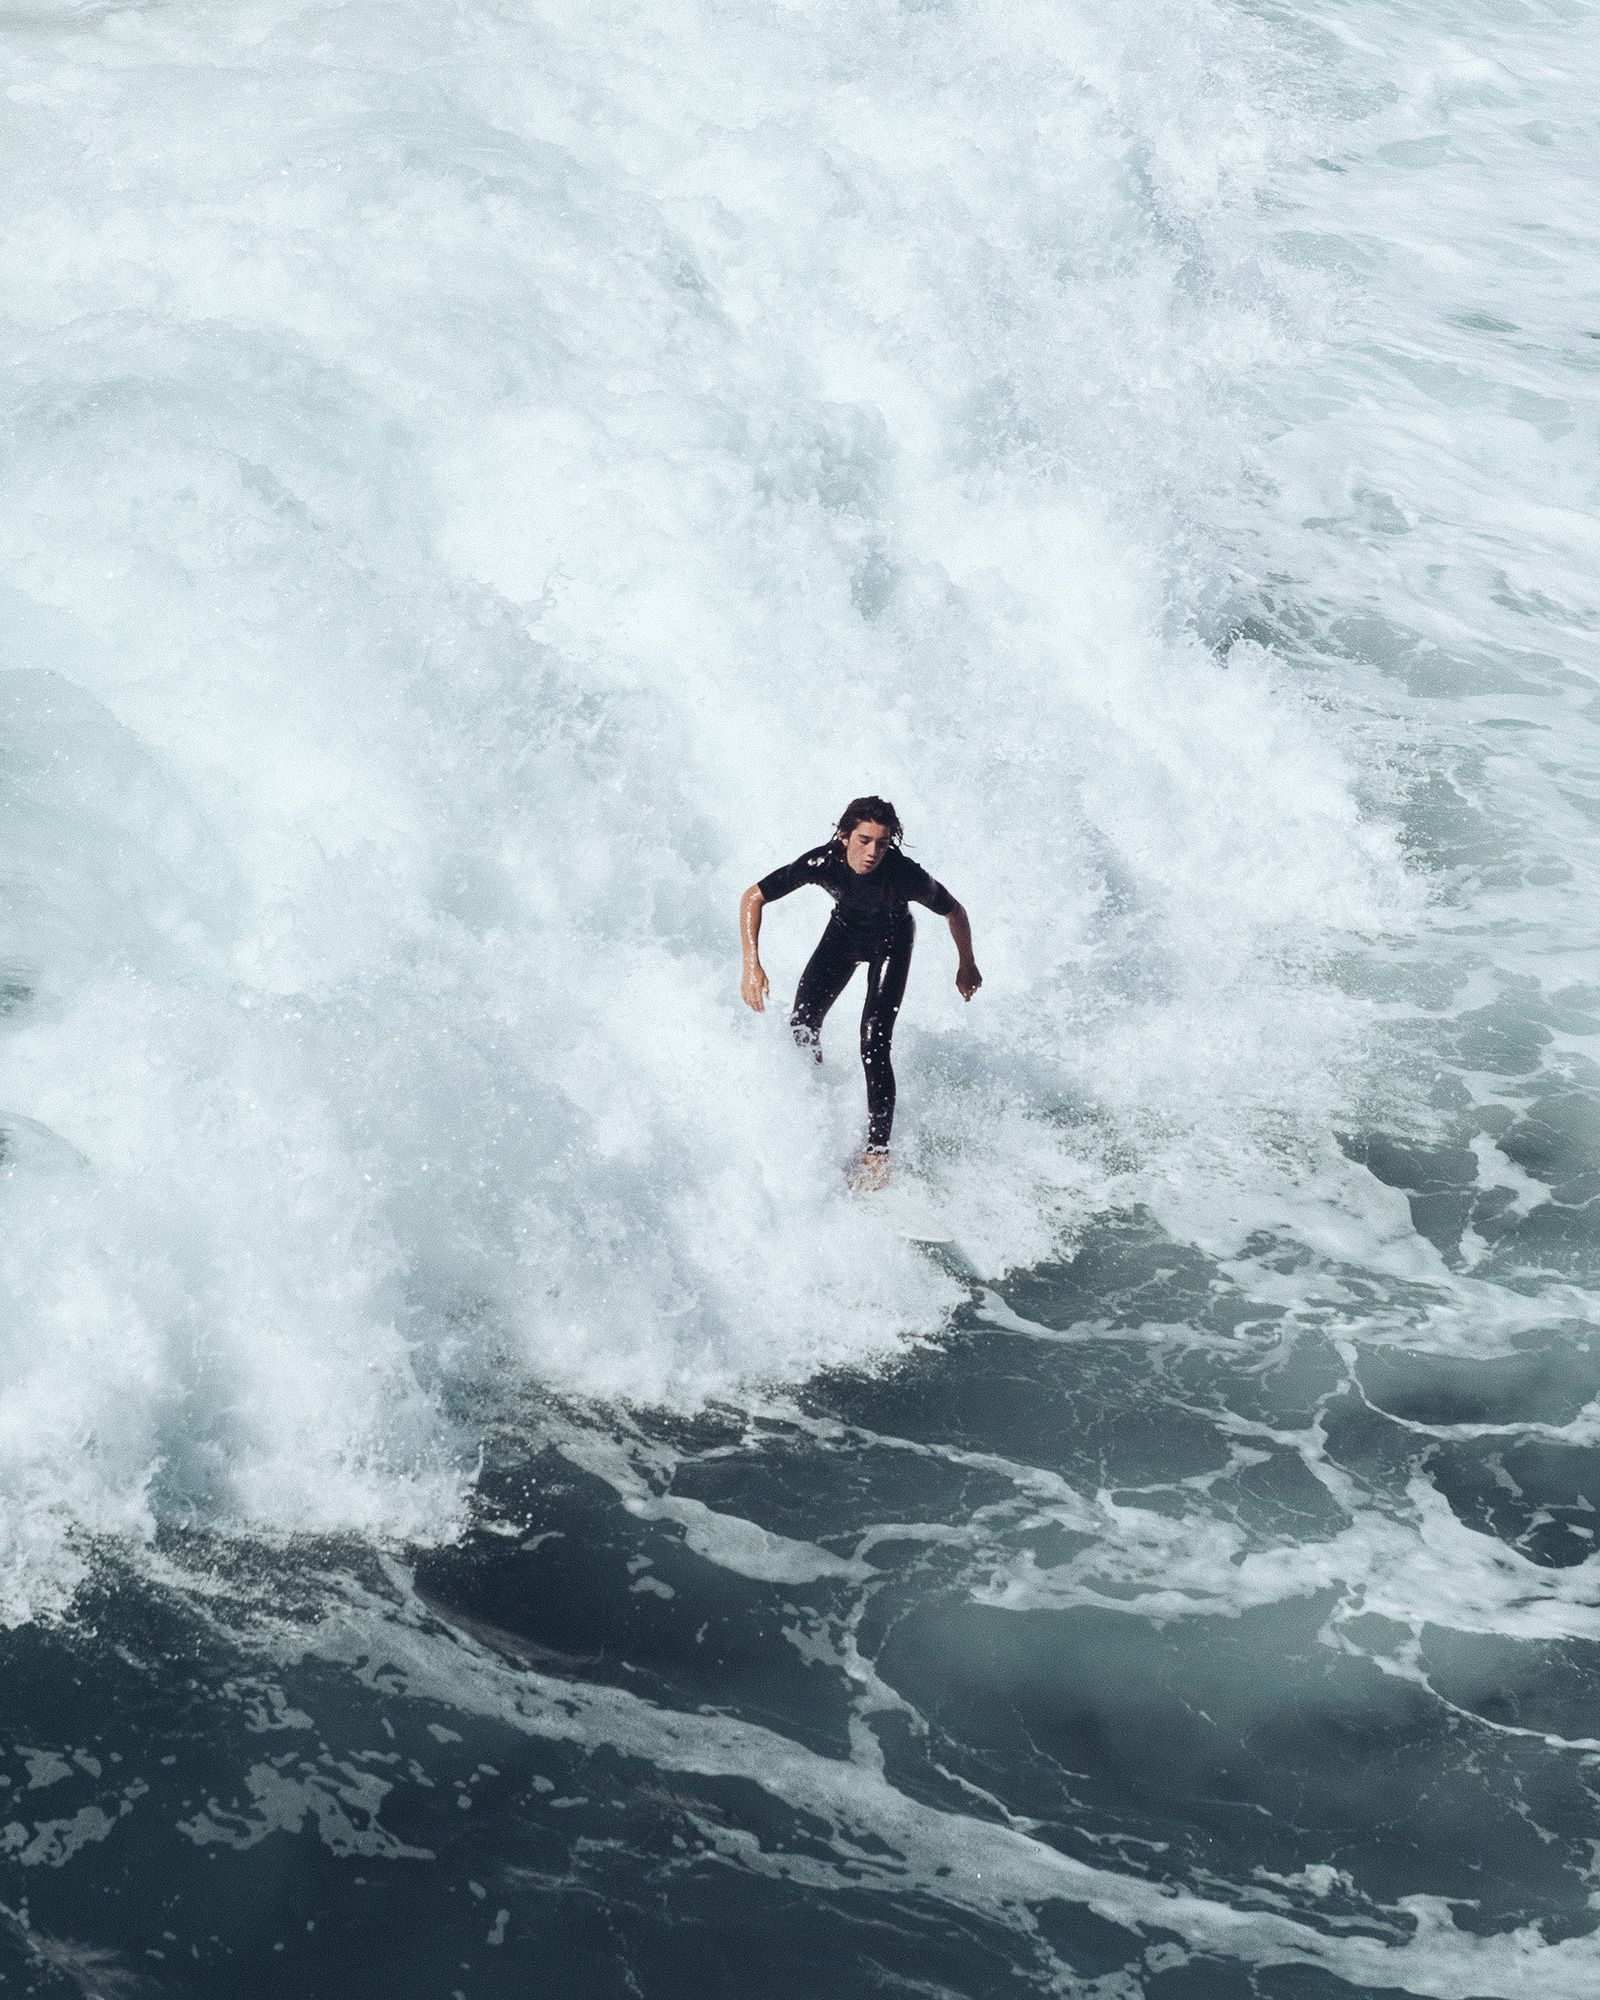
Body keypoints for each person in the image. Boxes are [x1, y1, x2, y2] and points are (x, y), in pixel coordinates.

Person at [740, 796, 982, 1189]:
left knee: (873, 1042)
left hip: (892, 943)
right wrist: (752, 963)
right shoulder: (822, 862)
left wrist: (966, 963)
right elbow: (753, 896)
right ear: (843, 836)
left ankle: (877, 1156)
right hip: (844, 935)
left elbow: (954, 910)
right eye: (864, 840)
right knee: (802, 1025)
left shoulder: (905, 875)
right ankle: (813, 1110)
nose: (872, 853)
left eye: (882, 844)